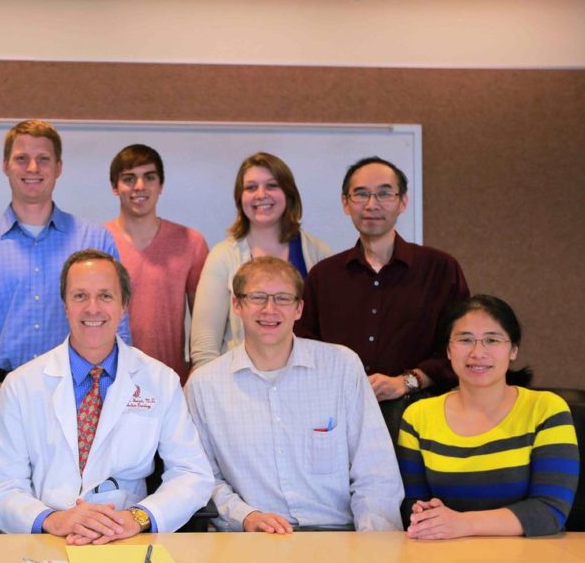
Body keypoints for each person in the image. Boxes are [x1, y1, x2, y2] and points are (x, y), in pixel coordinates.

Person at [0, 250, 213, 542]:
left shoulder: (160, 381)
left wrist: (138, 518)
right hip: (45, 539)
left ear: (124, 304)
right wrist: (52, 520)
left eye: (105, 296)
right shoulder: (20, 385)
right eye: (80, 296)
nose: (93, 308)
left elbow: (192, 474)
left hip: (127, 538)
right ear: (64, 305)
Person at [0, 119, 129, 476]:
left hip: (83, 397)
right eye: (21, 158)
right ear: (5, 165)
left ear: (58, 168)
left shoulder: (95, 241)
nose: (32, 168)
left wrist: (121, 404)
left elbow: (119, 328)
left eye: (43, 159)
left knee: (76, 511)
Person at [186, 257, 403, 532]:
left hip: (338, 537)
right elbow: (202, 478)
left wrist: (374, 549)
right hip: (252, 541)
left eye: (282, 299)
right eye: (257, 297)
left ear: (299, 309)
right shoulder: (205, 385)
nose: (269, 309)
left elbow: (376, 471)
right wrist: (245, 516)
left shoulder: (341, 367)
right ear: (236, 305)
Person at [398, 295, 579, 539]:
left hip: (532, 560)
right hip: (443, 559)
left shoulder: (545, 409)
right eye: (465, 340)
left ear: (513, 349)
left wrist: (464, 524)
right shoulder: (418, 416)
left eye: (491, 340)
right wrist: (424, 514)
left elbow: (550, 510)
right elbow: (411, 504)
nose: (477, 352)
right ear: (448, 350)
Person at [297, 156, 469, 408]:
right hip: (339, 412)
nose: (371, 204)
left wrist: (406, 381)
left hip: (419, 412)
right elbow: (303, 347)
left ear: (403, 202)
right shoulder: (323, 276)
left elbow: (462, 343)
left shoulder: (440, 269)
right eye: (361, 194)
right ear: (346, 203)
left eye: (384, 194)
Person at [191, 152, 331, 368]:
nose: (261, 194)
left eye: (272, 185)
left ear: (289, 193)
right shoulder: (222, 257)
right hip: (240, 386)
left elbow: (332, 335)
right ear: (240, 198)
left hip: (307, 383)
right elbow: (205, 345)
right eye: (251, 187)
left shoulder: (318, 253)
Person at [104, 144, 208, 384]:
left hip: (171, 381)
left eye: (149, 177)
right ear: (114, 187)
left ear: (160, 185)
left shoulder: (191, 242)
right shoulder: (97, 242)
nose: (139, 186)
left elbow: (204, 326)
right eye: (128, 179)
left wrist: (197, 374)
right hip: (109, 381)